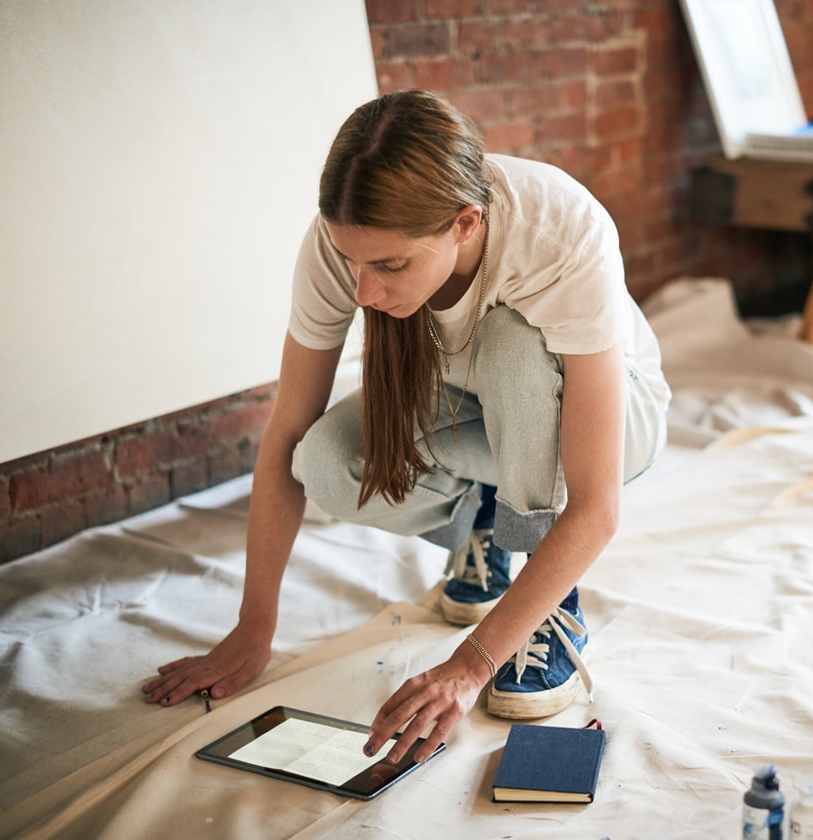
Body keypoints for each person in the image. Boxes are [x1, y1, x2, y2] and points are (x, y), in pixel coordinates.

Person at [141, 89, 670, 765]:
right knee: (328, 462)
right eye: (353, 262)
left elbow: (597, 506)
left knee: (511, 345)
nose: (363, 291)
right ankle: (491, 517)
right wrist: (254, 628)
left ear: (466, 223)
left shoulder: (557, 229)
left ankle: (551, 598)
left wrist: (471, 663)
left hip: (619, 426)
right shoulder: (344, 244)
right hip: (480, 421)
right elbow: (287, 434)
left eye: (389, 267)